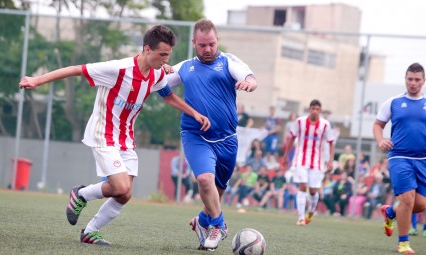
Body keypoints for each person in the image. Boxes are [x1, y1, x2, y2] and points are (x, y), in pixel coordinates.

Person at [18, 25, 211, 245]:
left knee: (124, 194)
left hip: (125, 139)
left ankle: (90, 231)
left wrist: (195, 113)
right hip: (103, 133)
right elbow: (75, 69)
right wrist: (36, 80)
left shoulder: (156, 74)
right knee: (120, 187)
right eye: (162, 55)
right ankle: (81, 195)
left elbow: (168, 97)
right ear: (147, 49)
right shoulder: (118, 69)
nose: (166, 61)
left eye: (168, 55)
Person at [165, 18, 257, 250]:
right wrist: (158, 71)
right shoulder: (185, 67)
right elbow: (158, 85)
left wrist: (248, 82)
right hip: (195, 135)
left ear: (217, 42)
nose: (208, 49)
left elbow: (249, 77)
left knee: (215, 193)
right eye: (203, 45)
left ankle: (202, 221)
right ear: (195, 43)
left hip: (227, 139)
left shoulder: (228, 61)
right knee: (204, 180)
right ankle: (219, 225)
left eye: (212, 44)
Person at [373, 62, 426, 254]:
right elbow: (378, 124)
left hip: (423, 160)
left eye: (417, 80)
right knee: (407, 199)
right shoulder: (393, 102)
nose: (413, 83)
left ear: (423, 81)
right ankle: (403, 243)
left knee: (420, 205)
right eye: (409, 79)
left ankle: (390, 212)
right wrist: (380, 141)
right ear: (405, 79)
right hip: (399, 158)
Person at [283, 99, 335, 225]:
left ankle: (311, 211)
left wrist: (330, 161)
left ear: (320, 111)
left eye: (317, 109)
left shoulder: (325, 124)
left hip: (317, 161)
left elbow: (331, 142)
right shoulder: (300, 121)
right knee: (302, 186)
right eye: (313, 108)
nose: (315, 111)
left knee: (313, 191)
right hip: (300, 159)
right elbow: (292, 138)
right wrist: (286, 156)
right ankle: (301, 217)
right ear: (309, 109)